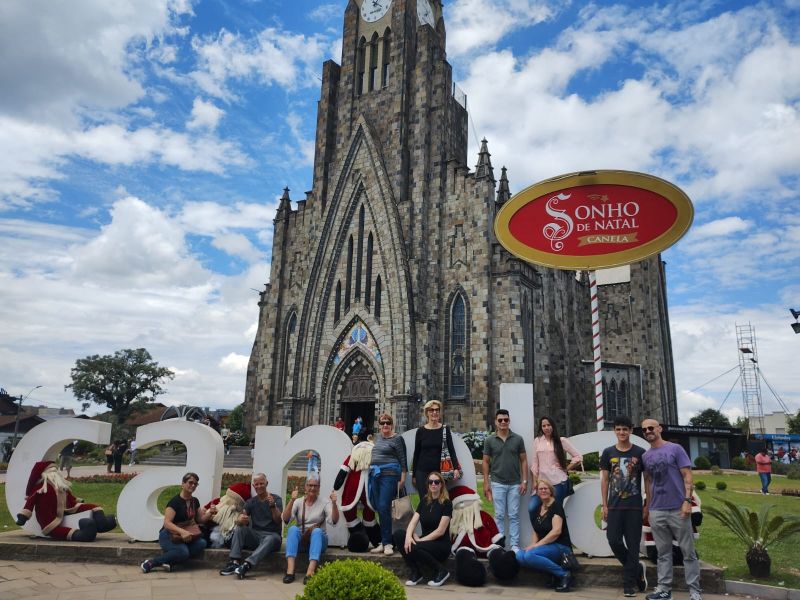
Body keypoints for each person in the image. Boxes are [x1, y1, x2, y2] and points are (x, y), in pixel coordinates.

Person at [641, 419, 701, 600]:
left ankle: (694, 591)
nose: (648, 431)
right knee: (663, 553)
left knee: (688, 552)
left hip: (677, 507)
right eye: (644, 430)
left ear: (659, 429)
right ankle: (664, 590)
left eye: (651, 428)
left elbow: (687, 475)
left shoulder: (675, 449)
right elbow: (648, 481)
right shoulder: (646, 456)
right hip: (657, 510)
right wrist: (648, 507)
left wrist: (687, 501)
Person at [600, 415, 647, 597]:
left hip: (634, 506)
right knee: (613, 540)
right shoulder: (608, 452)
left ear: (631, 431)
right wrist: (604, 505)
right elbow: (604, 480)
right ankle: (636, 568)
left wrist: (647, 504)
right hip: (614, 506)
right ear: (614, 431)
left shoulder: (640, 453)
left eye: (625, 429)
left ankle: (629, 585)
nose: (621, 432)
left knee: (633, 545)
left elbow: (648, 481)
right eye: (618, 429)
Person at [141, 472, 216, 573]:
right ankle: (152, 562)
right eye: (190, 482)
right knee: (183, 552)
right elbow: (167, 523)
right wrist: (182, 532)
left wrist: (210, 513)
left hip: (186, 534)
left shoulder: (195, 501)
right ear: (183, 484)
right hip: (169, 535)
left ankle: (170, 562)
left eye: (195, 484)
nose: (193, 485)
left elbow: (200, 520)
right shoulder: (175, 502)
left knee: (202, 543)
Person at [393, 470, 453, 587]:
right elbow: (412, 523)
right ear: (428, 485)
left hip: (440, 545)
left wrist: (420, 540)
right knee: (399, 535)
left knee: (415, 546)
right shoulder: (424, 501)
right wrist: (409, 536)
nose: (433, 484)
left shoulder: (447, 503)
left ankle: (441, 570)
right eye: (431, 482)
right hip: (425, 543)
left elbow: (440, 531)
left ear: (441, 484)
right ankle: (416, 572)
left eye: (436, 482)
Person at [219, 473, 283, 579]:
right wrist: (240, 520)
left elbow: (277, 520)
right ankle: (234, 562)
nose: (259, 486)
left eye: (261, 483)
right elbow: (243, 516)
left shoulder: (276, 499)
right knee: (240, 528)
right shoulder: (251, 502)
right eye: (256, 484)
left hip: (272, 536)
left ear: (266, 483)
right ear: (253, 486)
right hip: (256, 535)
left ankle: (247, 565)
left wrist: (272, 507)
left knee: (271, 538)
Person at [515, 480, 574, 592]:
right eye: (540, 489)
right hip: (545, 547)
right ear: (537, 492)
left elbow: (556, 531)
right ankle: (553, 574)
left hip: (560, 546)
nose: (543, 491)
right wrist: (532, 544)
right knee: (520, 556)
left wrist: (537, 545)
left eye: (545, 488)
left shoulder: (556, 506)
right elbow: (536, 531)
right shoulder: (538, 508)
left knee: (529, 556)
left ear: (550, 491)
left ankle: (564, 574)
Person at [482, 409, 528, 552]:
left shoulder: (518, 439)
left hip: (515, 483)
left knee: (514, 515)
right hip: (497, 482)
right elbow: (485, 462)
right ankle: (500, 544)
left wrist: (525, 481)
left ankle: (514, 545)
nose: (503, 422)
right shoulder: (489, 440)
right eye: (500, 420)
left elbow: (524, 460)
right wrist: (485, 482)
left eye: (505, 420)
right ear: (496, 422)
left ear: (509, 421)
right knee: (499, 515)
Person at [281, 477, 339, 584]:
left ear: (319, 488)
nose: (312, 488)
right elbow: (285, 519)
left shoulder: (325, 502)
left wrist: (334, 504)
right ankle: (290, 571)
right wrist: (292, 500)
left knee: (317, 531)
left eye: (315, 486)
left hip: (319, 542)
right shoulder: (298, 502)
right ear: (305, 487)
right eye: (310, 485)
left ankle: (310, 572)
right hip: (302, 541)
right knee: (293, 529)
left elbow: (334, 521)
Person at [528, 416, 582, 519]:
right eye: (544, 426)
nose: (546, 428)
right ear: (541, 428)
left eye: (549, 425)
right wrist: (535, 481)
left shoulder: (561, 441)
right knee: (532, 507)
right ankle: (544, 534)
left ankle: (557, 533)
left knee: (556, 512)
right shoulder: (537, 441)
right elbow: (535, 463)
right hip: (542, 483)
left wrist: (566, 468)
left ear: (553, 426)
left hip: (558, 482)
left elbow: (578, 456)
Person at [369, 413, 408, 555]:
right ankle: (384, 540)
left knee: (384, 506)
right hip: (375, 476)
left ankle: (388, 544)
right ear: (379, 426)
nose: (385, 425)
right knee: (379, 507)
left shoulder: (397, 439)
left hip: (390, 476)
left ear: (392, 425)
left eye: (388, 422)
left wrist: (403, 478)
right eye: (382, 423)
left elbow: (403, 459)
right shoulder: (378, 438)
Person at [411, 400, 461, 497]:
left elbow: (451, 450)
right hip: (422, 472)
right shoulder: (420, 431)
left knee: (439, 501)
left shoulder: (445, 429)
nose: (434, 412)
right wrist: (414, 475)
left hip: (440, 471)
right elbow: (416, 454)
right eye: (431, 410)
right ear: (427, 413)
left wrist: (456, 468)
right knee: (424, 501)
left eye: (437, 410)